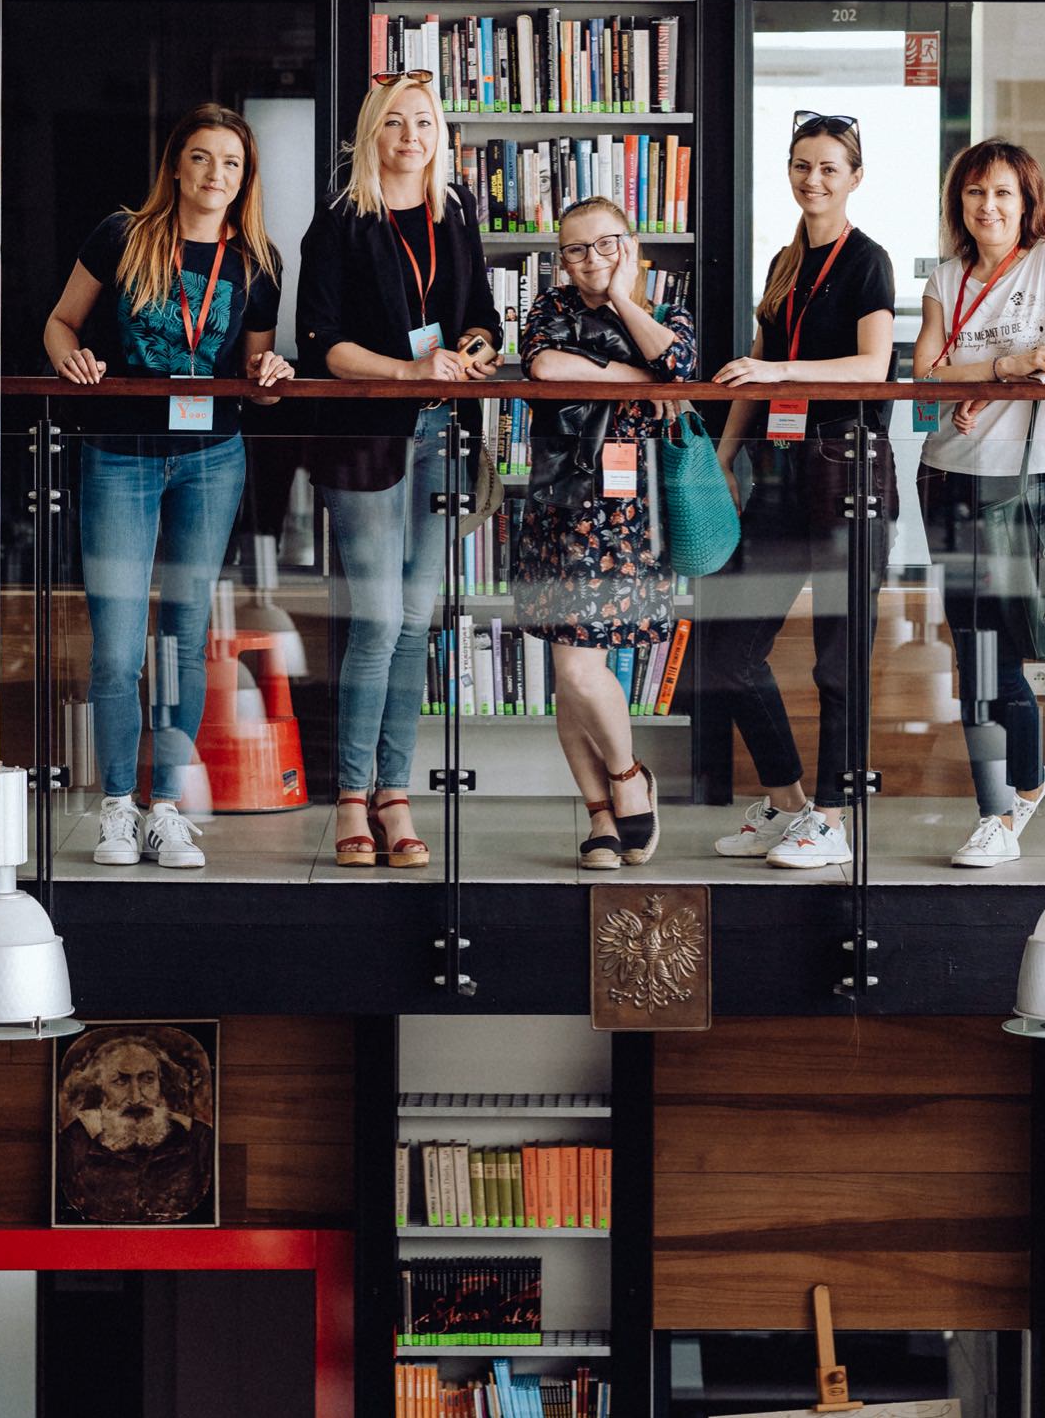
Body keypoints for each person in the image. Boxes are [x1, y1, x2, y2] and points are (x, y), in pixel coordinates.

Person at [44, 103, 292, 870]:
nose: (215, 175)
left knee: (185, 638)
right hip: (120, 454)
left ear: (244, 179)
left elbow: (254, 371)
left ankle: (167, 811)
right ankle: (117, 807)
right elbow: (60, 324)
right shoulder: (122, 236)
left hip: (212, 456)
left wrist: (272, 373)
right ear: (175, 167)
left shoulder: (256, 261)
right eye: (200, 158)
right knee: (118, 644)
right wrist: (69, 359)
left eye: (231, 163)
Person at [297, 71, 501, 868]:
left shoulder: (456, 214)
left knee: (417, 620)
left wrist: (476, 350)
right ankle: (350, 795)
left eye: (422, 122)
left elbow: (479, 310)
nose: (410, 137)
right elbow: (321, 343)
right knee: (378, 621)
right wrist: (409, 371)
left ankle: (395, 791)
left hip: (441, 433)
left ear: (438, 134)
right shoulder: (343, 223)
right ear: (370, 136)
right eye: (394, 124)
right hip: (367, 439)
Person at [710, 113, 897, 869]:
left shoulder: (869, 260)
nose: (811, 179)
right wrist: (724, 455)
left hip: (848, 471)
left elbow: (875, 366)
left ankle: (833, 817)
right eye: (799, 165)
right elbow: (756, 362)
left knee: (837, 659)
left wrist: (780, 374)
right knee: (728, 650)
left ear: (854, 177)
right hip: (779, 471)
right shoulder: (784, 263)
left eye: (827, 167)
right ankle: (790, 807)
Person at [912, 136, 1045, 867]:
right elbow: (924, 376)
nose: (987, 206)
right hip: (946, 476)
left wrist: (1038, 366)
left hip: (1023, 480)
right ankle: (1009, 798)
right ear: (958, 203)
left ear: (1027, 204)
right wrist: (1002, 366)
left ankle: (1012, 799)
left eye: (1002, 194)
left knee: (1002, 646)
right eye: (973, 193)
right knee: (971, 647)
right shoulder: (945, 276)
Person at [515, 198, 695, 870]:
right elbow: (544, 369)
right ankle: (605, 808)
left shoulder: (666, 310)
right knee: (570, 668)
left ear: (632, 245)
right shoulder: (548, 310)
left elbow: (680, 368)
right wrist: (639, 380)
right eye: (576, 250)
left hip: (623, 515)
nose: (591, 260)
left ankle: (621, 783)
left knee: (578, 664)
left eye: (606, 244)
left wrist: (624, 302)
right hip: (559, 507)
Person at [57, 1033, 213, 1223]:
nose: (136, 1097)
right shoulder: (75, 1142)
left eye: (147, 1079)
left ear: (160, 1083)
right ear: (99, 1088)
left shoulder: (198, 1138)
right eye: (120, 1081)